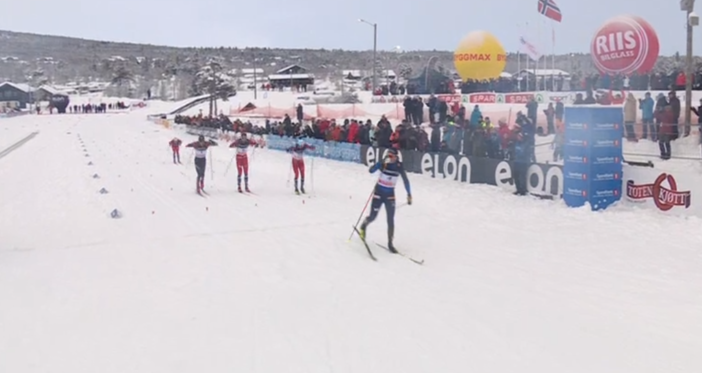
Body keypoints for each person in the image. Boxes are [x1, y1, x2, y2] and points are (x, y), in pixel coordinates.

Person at [358, 148, 412, 253]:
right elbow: (371, 170)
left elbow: (406, 180)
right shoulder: (384, 164)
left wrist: (409, 194)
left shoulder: (399, 166)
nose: (390, 158)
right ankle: (363, 226)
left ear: (396, 157)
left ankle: (390, 243)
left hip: (390, 195)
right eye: (388, 156)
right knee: (373, 216)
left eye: (392, 156)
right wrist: (380, 163)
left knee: (390, 219)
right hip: (378, 193)